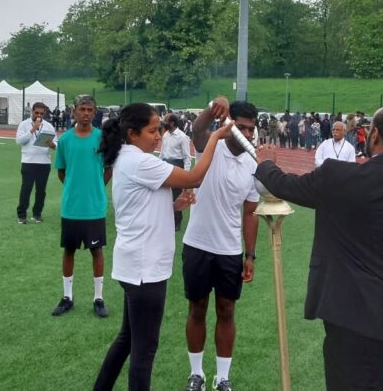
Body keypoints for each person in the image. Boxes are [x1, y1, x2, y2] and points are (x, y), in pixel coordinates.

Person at [253, 105, 383, 390]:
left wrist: (266, 162)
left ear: (374, 136)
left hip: (345, 314)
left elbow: (285, 185)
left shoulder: (337, 176)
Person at [93, 103, 232, 391]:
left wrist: (174, 206)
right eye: (152, 131)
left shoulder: (130, 158)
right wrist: (216, 138)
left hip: (136, 265)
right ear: (132, 134)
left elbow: (139, 208)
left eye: (159, 130)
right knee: (144, 350)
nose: (159, 136)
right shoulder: (139, 161)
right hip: (145, 269)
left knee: (128, 340)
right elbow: (194, 178)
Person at [182, 99, 260, 391]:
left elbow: (250, 212)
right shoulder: (211, 145)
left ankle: (222, 377)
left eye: (251, 129)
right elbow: (198, 129)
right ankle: (196, 374)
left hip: (229, 249)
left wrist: (250, 255)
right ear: (230, 126)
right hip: (198, 243)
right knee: (197, 308)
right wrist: (214, 105)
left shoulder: (252, 162)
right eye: (242, 127)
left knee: (227, 311)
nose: (247, 134)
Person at [51, 96, 111, 318]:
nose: (86, 113)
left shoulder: (102, 138)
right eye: (82, 109)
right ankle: (67, 297)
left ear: (95, 113)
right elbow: (61, 171)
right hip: (71, 207)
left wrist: (96, 187)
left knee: (97, 250)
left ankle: (98, 298)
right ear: (74, 111)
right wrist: (74, 188)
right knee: (69, 250)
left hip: (94, 207)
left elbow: (108, 168)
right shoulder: (65, 139)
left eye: (90, 110)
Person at [15, 102, 57, 224]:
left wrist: (53, 144)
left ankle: (37, 214)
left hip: (44, 162)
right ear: (32, 111)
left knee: (41, 191)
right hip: (28, 162)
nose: (39, 115)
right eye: (36, 112)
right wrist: (32, 130)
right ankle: (22, 215)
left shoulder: (49, 126)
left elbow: (56, 143)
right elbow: (19, 141)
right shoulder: (24, 124)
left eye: (41, 113)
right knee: (26, 189)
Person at [160, 113, 193, 231]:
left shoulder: (182, 137)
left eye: (166, 121)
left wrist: (186, 175)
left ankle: (177, 222)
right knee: (164, 194)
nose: (164, 124)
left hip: (177, 166)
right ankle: (166, 220)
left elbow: (187, 157)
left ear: (172, 123)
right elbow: (162, 153)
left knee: (176, 195)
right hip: (165, 166)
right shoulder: (165, 135)